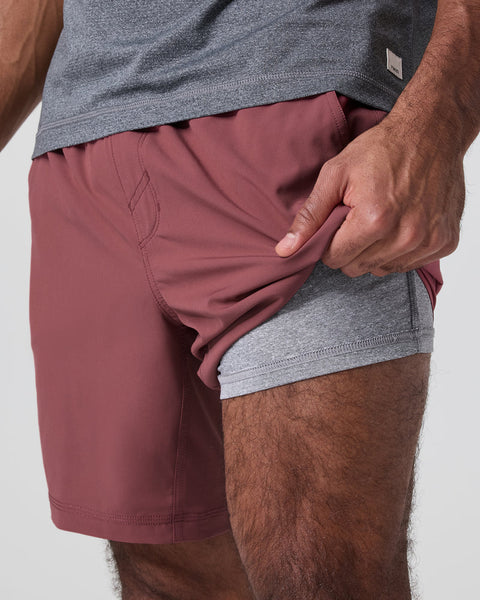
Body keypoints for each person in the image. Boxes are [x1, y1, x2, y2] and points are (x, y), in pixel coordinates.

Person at [1, 1, 479, 599]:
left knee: (323, 576)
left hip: (299, 112)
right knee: (164, 578)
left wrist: (438, 122)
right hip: (83, 148)